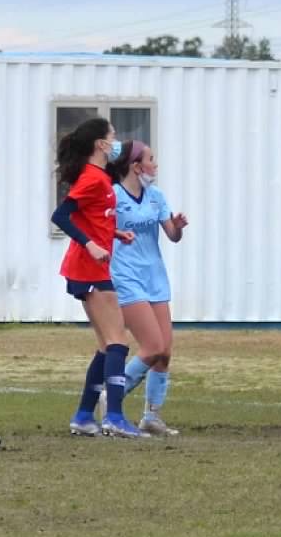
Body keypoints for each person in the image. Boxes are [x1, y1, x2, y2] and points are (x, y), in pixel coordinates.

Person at [52, 118, 144, 438]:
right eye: (112, 137)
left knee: (107, 345)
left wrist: (114, 232)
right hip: (89, 268)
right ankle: (115, 418)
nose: (116, 142)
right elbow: (60, 216)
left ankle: (83, 416)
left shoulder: (100, 178)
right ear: (100, 145)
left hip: (91, 268)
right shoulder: (92, 179)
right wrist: (90, 244)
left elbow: (89, 217)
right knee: (118, 341)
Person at [112, 140, 189, 436]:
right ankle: (112, 397)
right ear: (135, 166)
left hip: (155, 277)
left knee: (164, 352)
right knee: (152, 346)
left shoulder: (156, 196)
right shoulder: (114, 195)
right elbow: (98, 226)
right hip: (126, 276)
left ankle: (152, 417)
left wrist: (178, 226)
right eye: (151, 159)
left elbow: (172, 236)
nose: (155, 165)